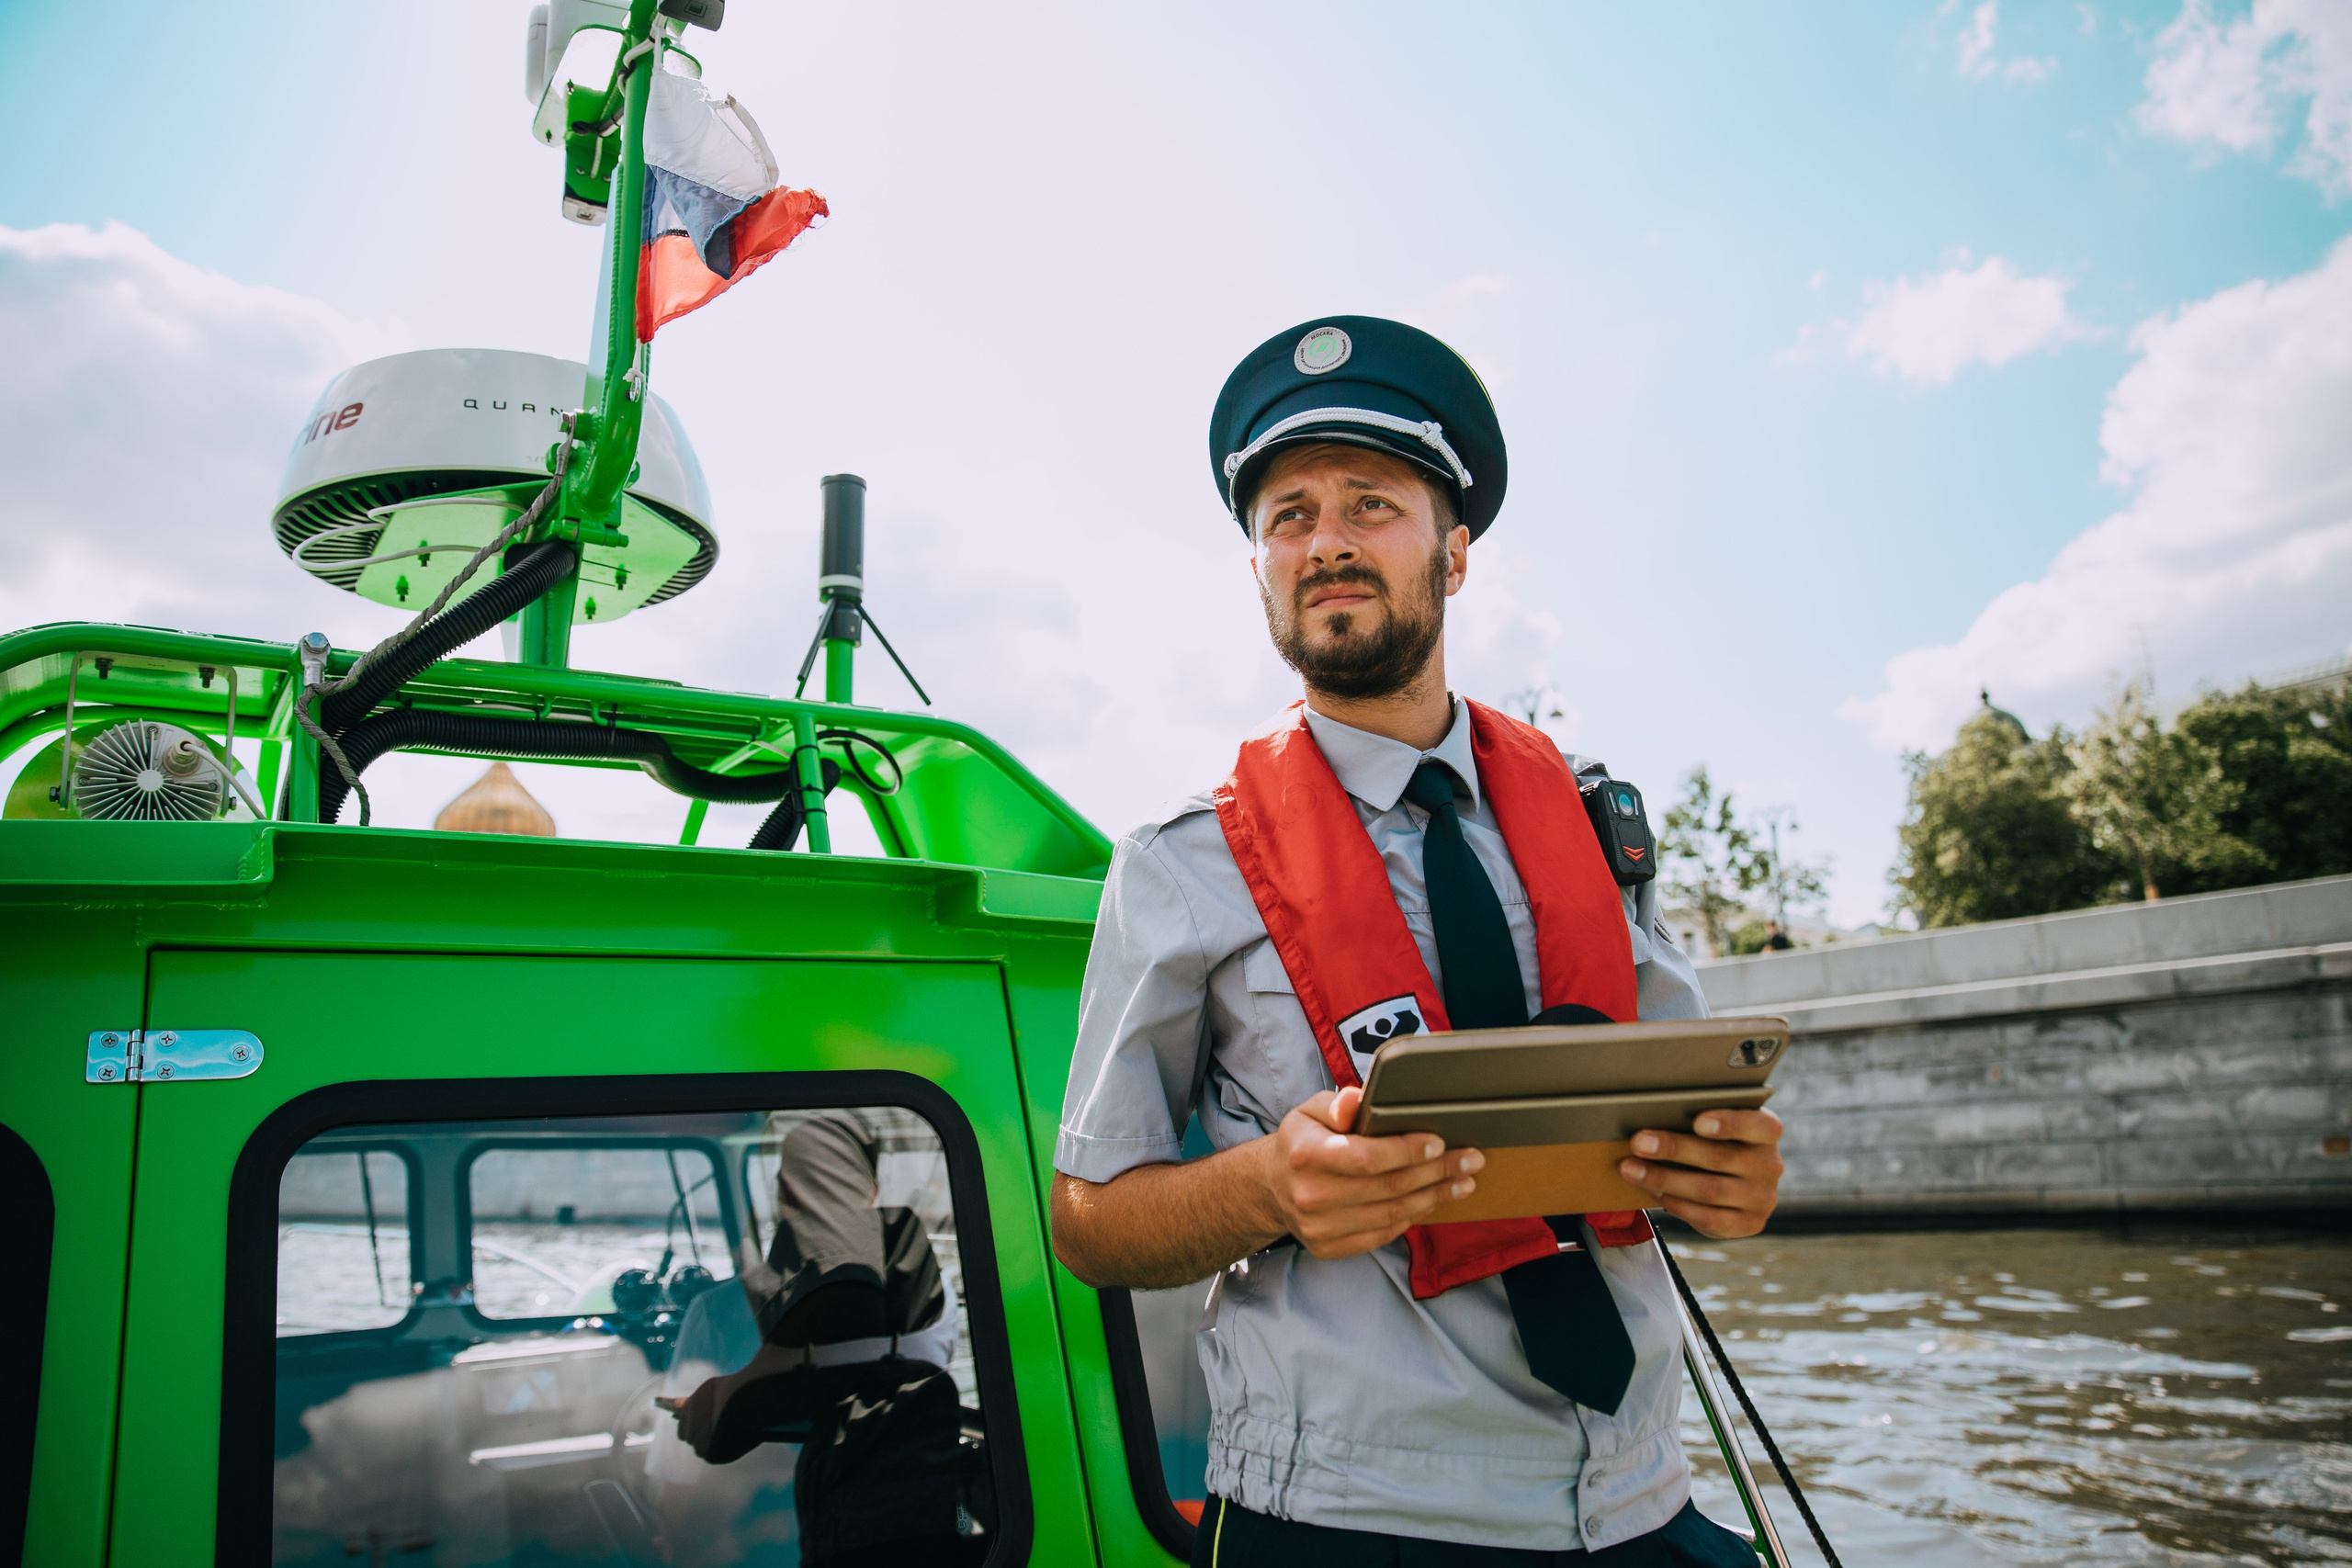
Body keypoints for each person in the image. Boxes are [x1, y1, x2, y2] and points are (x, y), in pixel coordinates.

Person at [1051, 316, 1788, 1564]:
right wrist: (1268, 1187)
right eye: (1288, 515)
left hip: (1644, 1495)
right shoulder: (1177, 862)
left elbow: (1686, 1116)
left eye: (1370, 503)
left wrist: (1735, 1187)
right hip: (1352, 1519)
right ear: (1260, 570)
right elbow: (1090, 1221)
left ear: (1453, 552)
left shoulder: (1596, 820)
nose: (1326, 539)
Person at [668, 1111, 970, 1567]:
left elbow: (676, 1499)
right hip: (913, 1508)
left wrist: (729, 1402)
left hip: (817, 1527)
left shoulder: (717, 1311)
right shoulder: (931, 1290)